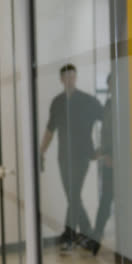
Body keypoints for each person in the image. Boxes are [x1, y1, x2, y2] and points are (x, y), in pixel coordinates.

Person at [39, 64, 103, 251]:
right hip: (63, 157)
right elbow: (50, 130)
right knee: (73, 196)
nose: (70, 80)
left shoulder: (88, 101)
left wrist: (103, 149)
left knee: (73, 195)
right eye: (66, 78)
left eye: (72, 77)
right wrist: (41, 151)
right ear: (61, 79)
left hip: (82, 156)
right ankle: (89, 234)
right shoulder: (57, 102)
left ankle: (69, 236)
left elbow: (107, 119)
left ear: (76, 77)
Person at [82, 74, 114, 255]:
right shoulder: (109, 104)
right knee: (106, 200)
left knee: (109, 200)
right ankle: (96, 239)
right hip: (110, 162)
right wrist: (102, 151)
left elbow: (122, 132)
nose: (110, 88)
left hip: (120, 162)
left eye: (112, 84)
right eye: (109, 85)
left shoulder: (123, 103)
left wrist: (110, 154)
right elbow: (108, 132)